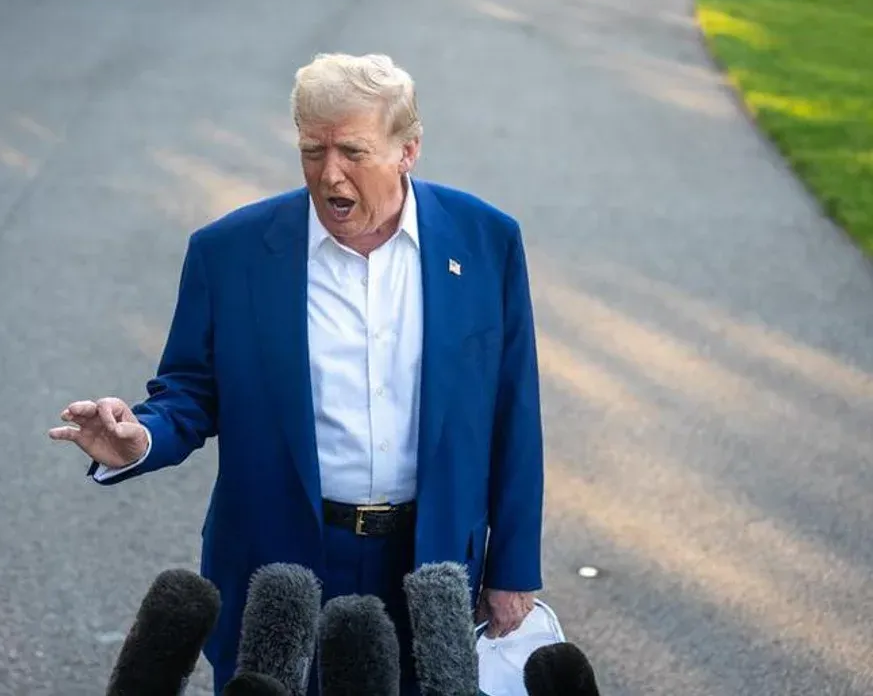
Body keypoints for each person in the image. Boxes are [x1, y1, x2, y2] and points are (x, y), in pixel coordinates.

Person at [49, 52, 545, 695]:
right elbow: (191, 392)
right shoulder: (229, 252)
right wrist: (138, 440)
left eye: (352, 151)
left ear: (408, 150)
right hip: (280, 566)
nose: (329, 173)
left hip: (430, 562)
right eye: (312, 150)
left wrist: (511, 570)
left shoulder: (486, 241)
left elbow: (515, 410)